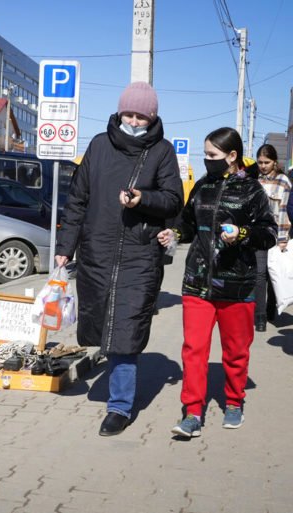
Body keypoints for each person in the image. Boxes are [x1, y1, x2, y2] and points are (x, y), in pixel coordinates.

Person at [55, 82, 183, 436]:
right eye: (128, 113)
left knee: (125, 329)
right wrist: (66, 246)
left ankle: (120, 407)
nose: (133, 120)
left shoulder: (162, 151)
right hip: (97, 251)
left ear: (152, 116)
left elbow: (174, 200)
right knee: (103, 324)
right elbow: (77, 199)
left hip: (140, 255)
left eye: (141, 116)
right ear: (119, 112)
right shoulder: (98, 144)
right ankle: (113, 386)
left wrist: (143, 198)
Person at [159, 127, 277, 438]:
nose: (207, 160)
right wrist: (175, 234)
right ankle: (193, 413)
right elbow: (186, 222)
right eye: (206, 154)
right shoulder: (202, 185)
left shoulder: (253, 191)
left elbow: (269, 234)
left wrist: (241, 234)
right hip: (197, 282)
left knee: (236, 352)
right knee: (193, 350)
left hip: (238, 285)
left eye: (212, 155)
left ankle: (235, 402)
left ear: (232, 156)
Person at [254, 144, 291, 331]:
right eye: (259, 162)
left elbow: (284, 211)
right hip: (259, 233)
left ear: (274, 161)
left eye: (266, 162)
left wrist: (283, 238)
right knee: (259, 274)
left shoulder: (283, 181)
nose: (263, 166)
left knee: (273, 273)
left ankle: (271, 308)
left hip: (277, 235)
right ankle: (260, 316)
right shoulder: (255, 181)